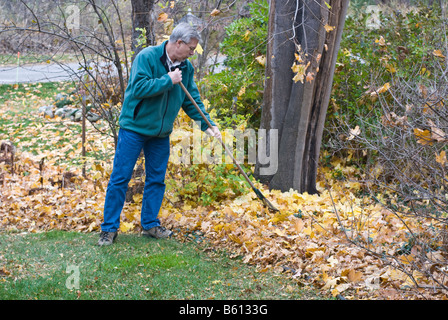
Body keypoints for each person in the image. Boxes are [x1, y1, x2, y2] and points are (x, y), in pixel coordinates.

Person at [98, 23, 221, 246]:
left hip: (160, 133)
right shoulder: (147, 57)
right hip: (134, 128)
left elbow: (191, 99)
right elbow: (138, 88)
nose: (193, 53)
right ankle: (108, 229)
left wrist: (208, 125)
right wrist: (168, 80)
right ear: (179, 43)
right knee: (120, 178)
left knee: (156, 180)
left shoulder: (186, 68)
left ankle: (150, 225)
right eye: (191, 48)